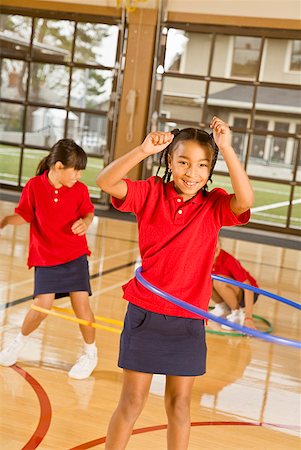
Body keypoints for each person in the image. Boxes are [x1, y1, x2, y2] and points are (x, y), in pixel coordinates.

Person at [96, 116, 254, 450]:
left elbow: (246, 200)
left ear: (211, 170)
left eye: (202, 165)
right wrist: (142, 150)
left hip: (187, 319)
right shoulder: (150, 192)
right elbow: (106, 181)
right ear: (169, 161)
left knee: (180, 405)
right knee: (132, 401)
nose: (192, 173)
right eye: (183, 162)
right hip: (145, 312)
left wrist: (226, 148)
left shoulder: (214, 205)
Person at [0, 139, 98, 379]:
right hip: (45, 256)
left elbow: (89, 212)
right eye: (75, 170)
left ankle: (90, 353)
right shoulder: (34, 186)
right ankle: (18, 343)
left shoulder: (80, 190)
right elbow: (24, 215)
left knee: (81, 305)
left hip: (74, 255)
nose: (78, 175)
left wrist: (84, 223)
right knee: (41, 306)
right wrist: (3, 221)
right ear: (58, 167)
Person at [211, 239, 259, 330]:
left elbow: (248, 288)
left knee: (219, 280)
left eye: (217, 245)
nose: (215, 248)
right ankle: (223, 308)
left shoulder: (228, 260)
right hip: (226, 290)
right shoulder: (204, 259)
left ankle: (237, 314)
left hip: (248, 293)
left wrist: (248, 318)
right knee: (205, 279)